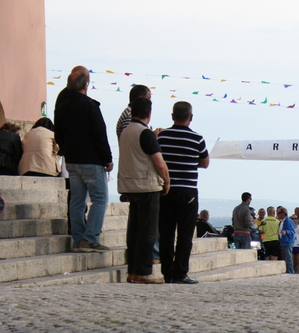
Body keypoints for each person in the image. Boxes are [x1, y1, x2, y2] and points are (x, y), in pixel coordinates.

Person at [54, 67, 114, 252]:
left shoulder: (61, 107)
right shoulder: (90, 106)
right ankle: (90, 237)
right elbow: (99, 134)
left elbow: (59, 135)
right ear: (86, 85)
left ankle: (78, 239)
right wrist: (108, 159)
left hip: (72, 161)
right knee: (100, 199)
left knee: (77, 201)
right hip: (91, 160)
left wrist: (66, 150)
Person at [117, 98, 170, 284]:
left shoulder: (125, 132)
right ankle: (143, 271)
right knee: (148, 231)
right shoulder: (145, 133)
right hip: (146, 186)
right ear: (149, 113)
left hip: (130, 185)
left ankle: (132, 269)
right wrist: (167, 181)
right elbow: (159, 163)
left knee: (134, 230)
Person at [157, 101, 209, 284]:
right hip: (188, 192)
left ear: (173, 116)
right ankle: (180, 273)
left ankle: (167, 273)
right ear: (191, 118)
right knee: (185, 235)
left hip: (166, 190)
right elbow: (205, 163)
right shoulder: (197, 139)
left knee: (166, 234)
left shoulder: (161, 137)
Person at [276, 206, 296, 274]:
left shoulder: (288, 221)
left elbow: (292, 231)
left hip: (287, 242)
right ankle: (288, 271)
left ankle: (291, 272)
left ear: (283, 213)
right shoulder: (281, 221)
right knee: (286, 258)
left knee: (288, 259)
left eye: (278, 213)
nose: (277, 214)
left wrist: (286, 232)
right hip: (283, 242)